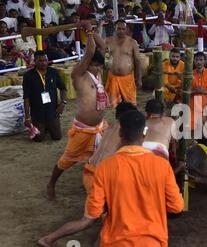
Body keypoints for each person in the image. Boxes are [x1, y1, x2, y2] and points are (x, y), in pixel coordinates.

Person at [40, 110, 184, 247]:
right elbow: (176, 207)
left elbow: (94, 213)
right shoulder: (162, 166)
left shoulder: (105, 167)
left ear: (120, 133)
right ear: (144, 134)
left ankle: (49, 238)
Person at [46, 21, 108, 201]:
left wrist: (93, 30)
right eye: (94, 65)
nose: (97, 68)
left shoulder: (97, 74)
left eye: (99, 65)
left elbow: (101, 46)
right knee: (67, 160)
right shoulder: (78, 74)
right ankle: (51, 184)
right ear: (87, 64)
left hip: (100, 126)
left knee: (103, 157)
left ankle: (97, 183)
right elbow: (89, 53)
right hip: (83, 129)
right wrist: (88, 33)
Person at [22, 51, 67, 142]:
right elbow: (26, 97)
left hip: (52, 110)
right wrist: (27, 116)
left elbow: (63, 88)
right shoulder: (28, 76)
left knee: (57, 137)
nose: (44, 63)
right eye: (40, 61)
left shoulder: (53, 72)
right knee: (38, 138)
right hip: (37, 112)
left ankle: (48, 126)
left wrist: (62, 103)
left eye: (45, 60)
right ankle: (43, 127)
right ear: (35, 61)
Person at [105, 19, 142, 108]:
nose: (121, 31)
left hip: (127, 78)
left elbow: (138, 61)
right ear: (115, 28)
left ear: (127, 30)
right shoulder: (108, 41)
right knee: (115, 108)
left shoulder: (132, 42)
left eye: (123, 29)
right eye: (119, 28)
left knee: (131, 106)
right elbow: (97, 46)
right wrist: (99, 26)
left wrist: (139, 78)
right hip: (113, 77)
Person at [191, 52, 207, 131]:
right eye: (196, 60)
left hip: (206, 104)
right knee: (193, 129)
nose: (199, 62)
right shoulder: (189, 74)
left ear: (205, 61)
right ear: (193, 61)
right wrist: (194, 92)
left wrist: (203, 92)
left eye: (201, 60)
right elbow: (184, 91)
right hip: (192, 105)